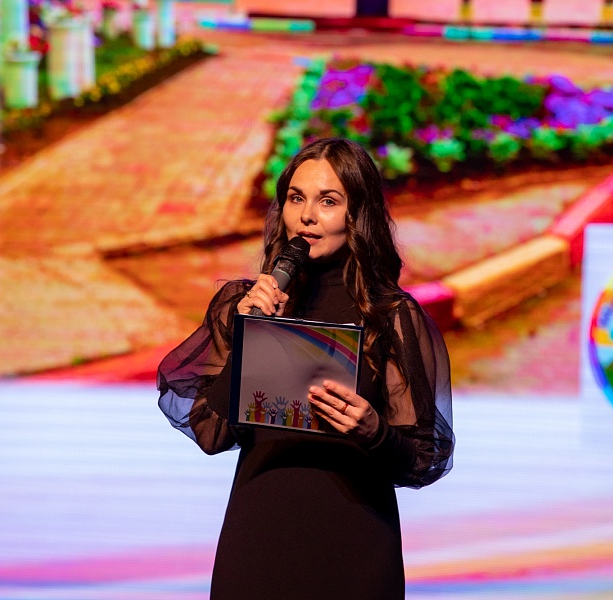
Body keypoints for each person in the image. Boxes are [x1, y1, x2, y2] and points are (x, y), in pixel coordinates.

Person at [158, 138, 454, 599]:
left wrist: (374, 430)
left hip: (354, 543)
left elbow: (425, 458)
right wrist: (248, 334)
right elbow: (210, 433)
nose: (307, 216)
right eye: (296, 198)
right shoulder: (243, 303)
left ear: (357, 215)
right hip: (259, 537)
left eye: (328, 201)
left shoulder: (389, 317)